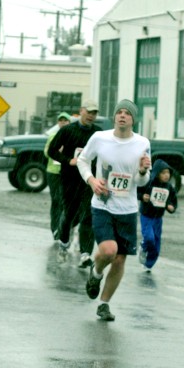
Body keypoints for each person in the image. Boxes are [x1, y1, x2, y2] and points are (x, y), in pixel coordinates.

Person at [78, 99, 152, 321]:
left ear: (133, 119)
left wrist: (141, 171)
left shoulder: (142, 143)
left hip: (127, 209)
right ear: (114, 117)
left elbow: (142, 181)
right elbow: (82, 160)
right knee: (109, 251)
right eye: (119, 112)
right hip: (103, 204)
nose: (122, 116)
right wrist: (91, 180)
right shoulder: (100, 138)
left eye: (127, 113)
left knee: (120, 260)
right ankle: (96, 273)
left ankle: (104, 304)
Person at [47, 99, 102, 267]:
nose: (91, 116)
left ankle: (85, 254)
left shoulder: (98, 134)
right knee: (69, 214)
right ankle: (64, 244)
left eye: (94, 113)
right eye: (89, 112)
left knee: (88, 216)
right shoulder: (68, 131)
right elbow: (52, 150)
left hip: (89, 181)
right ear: (81, 111)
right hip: (69, 179)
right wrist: (68, 160)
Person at [137, 159, 178, 272]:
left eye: (168, 173)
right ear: (157, 173)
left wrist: (171, 207)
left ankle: (148, 264)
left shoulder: (169, 187)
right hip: (146, 216)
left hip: (158, 218)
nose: (166, 175)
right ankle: (143, 246)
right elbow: (137, 191)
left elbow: (172, 200)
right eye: (163, 173)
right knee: (149, 238)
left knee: (156, 242)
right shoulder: (149, 183)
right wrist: (142, 197)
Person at [44, 112, 71, 241]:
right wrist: (57, 153)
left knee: (66, 202)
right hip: (53, 172)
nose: (63, 123)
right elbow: (46, 152)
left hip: (67, 173)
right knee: (56, 200)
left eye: (66, 121)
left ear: (69, 123)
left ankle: (64, 228)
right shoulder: (53, 136)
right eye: (61, 121)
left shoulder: (72, 136)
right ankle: (55, 229)